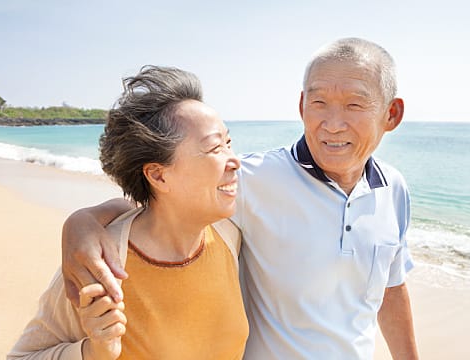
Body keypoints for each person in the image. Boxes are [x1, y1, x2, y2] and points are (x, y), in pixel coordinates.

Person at [62, 37, 419, 359]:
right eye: (319, 102)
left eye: (355, 105)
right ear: (301, 105)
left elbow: (390, 287)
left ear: (391, 114)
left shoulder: (394, 188)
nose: (333, 123)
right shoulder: (254, 177)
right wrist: (84, 221)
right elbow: (169, 197)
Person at [8, 65, 249, 359]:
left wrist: (85, 217)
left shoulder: (229, 235)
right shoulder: (102, 263)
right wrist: (93, 352)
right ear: (159, 176)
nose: (235, 160)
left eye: (228, 142)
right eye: (214, 148)